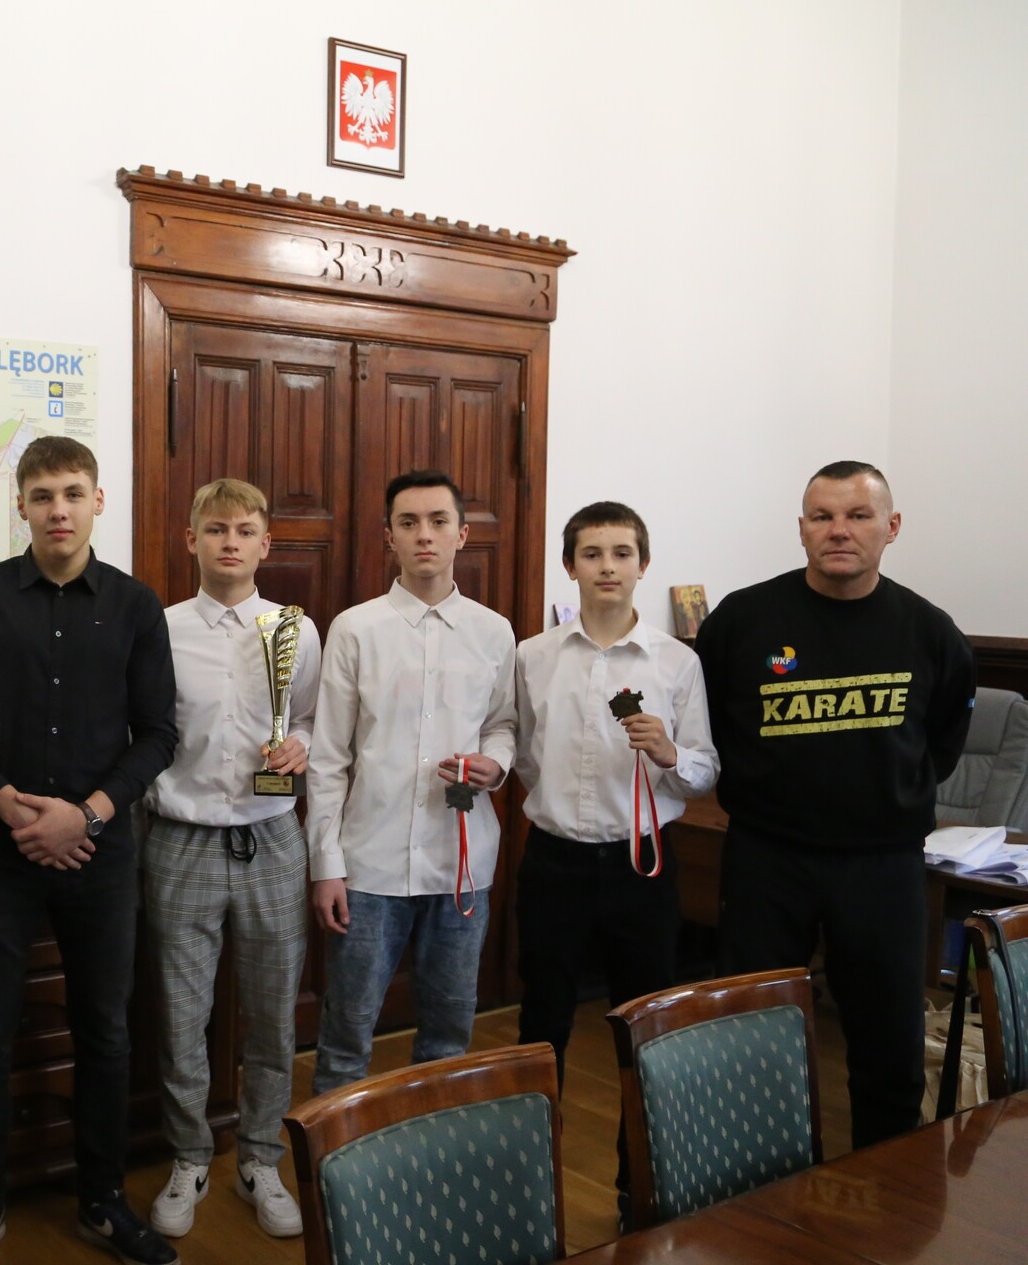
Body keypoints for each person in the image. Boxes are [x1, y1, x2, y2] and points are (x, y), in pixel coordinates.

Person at [0, 436, 179, 1265]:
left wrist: (88, 816)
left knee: (105, 1032)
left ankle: (103, 1199)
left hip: (99, 856)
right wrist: (7, 802)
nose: (58, 510)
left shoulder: (137, 605)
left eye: (73, 493)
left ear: (98, 501)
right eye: (42, 496)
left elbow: (157, 734)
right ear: (21, 505)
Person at [696, 461, 974, 1149]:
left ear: (891, 527)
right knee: (751, 1031)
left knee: (889, 1041)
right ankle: (756, 1175)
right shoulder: (742, 620)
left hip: (883, 864)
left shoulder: (930, 631)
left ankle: (891, 1178)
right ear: (802, 529)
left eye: (857, 515)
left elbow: (942, 742)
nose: (839, 531)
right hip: (767, 858)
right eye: (822, 517)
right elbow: (711, 725)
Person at [512, 501, 718, 1209]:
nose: (607, 567)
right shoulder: (533, 657)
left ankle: (643, 1189)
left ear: (643, 564)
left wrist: (669, 753)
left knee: (646, 1024)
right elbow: (525, 758)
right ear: (569, 566)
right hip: (555, 864)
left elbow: (704, 771)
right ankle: (530, 1188)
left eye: (622, 553)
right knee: (542, 1024)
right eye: (592, 553)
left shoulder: (677, 662)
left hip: (642, 865)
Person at [142, 480, 320, 1242]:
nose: (230, 543)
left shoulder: (294, 630)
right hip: (180, 840)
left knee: (273, 1015)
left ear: (264, 545)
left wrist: (300, 744)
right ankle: (189, 1157)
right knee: (182, 1018)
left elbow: (310, 718)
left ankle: (260, 1158)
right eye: (216, 530)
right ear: (192, 540)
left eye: (245, 531)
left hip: (271, 838)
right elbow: (142, 730)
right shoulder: (160, 629)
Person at [307, 469, 517, 1094]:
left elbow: (503, 725)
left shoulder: (494, 631)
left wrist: (495, 764)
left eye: (438, 521)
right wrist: (326, 865)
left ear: (462, 534)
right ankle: (337, 1150)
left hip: (461, 864)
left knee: (449, 1035)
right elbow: (328, 758)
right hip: (368, 867)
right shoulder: (355, 629)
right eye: (409, 522)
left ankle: (434, 1141)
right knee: (347, 1034)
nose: (424, 534)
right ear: (389, 536)